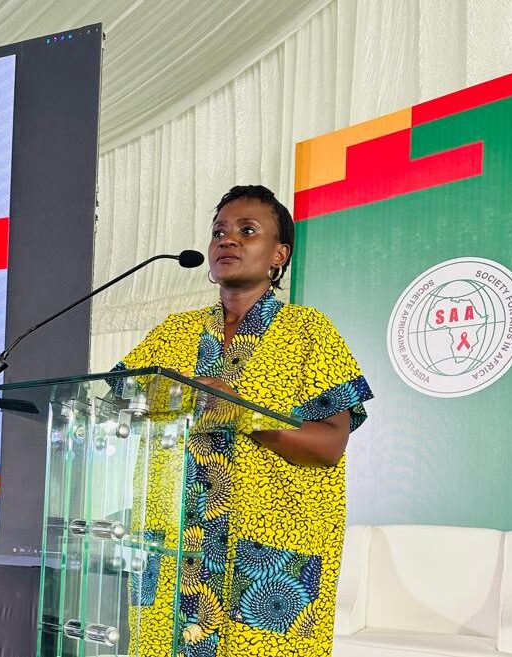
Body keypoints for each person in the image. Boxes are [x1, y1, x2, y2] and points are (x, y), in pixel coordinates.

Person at [114, 185, 373, 657]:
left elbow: (328, 444)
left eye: (246, 231)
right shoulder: (174, 333)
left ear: (279, 255)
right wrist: (169, 395)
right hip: (175, 550)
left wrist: (244, 414)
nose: (226, 241)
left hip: (262, 557)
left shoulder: (308, 332)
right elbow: (116, 399)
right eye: (219, 232)